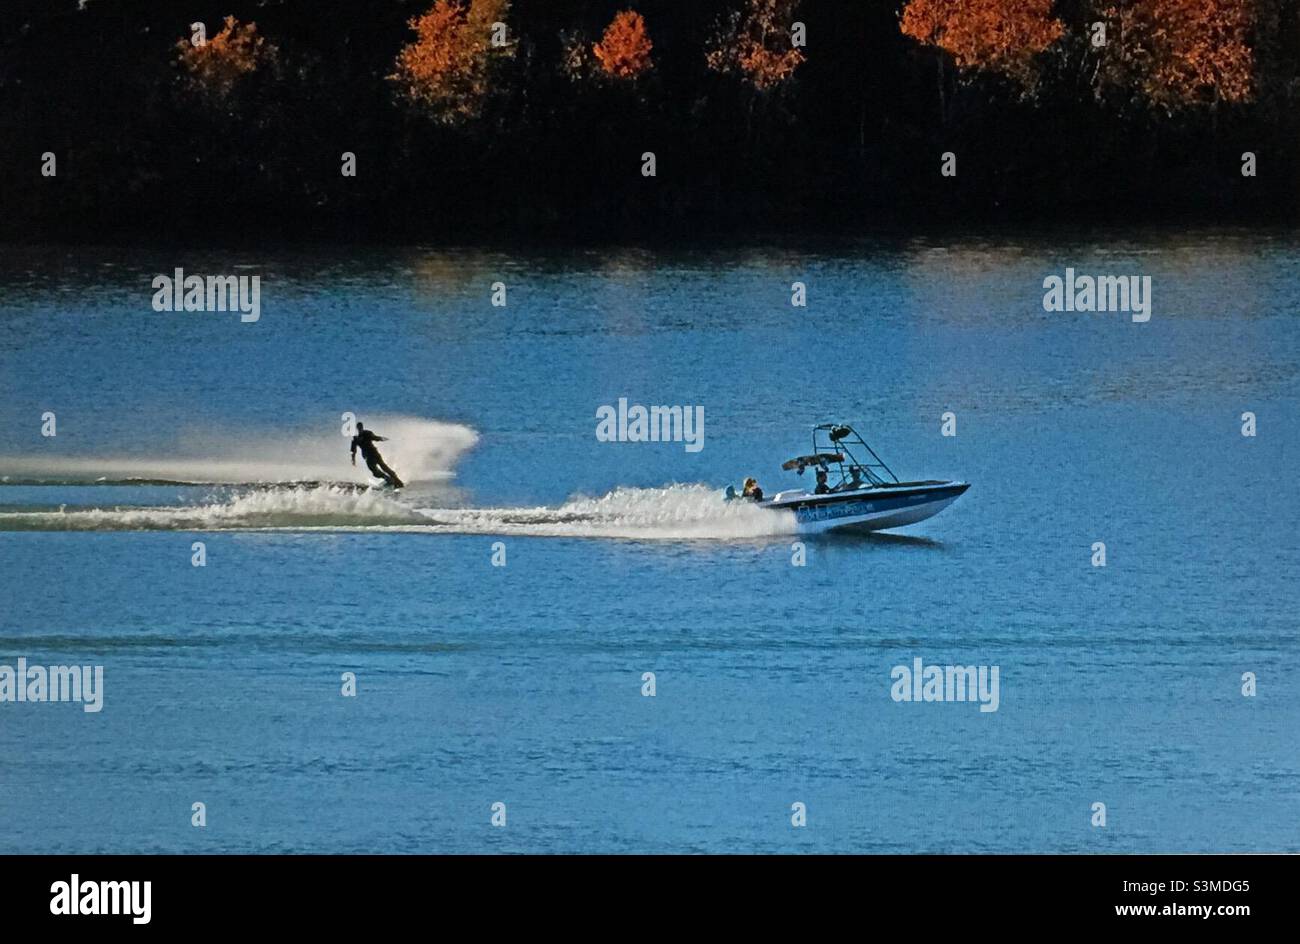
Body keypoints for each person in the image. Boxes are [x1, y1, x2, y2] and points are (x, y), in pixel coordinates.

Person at [351, 421, 404, 488]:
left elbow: (375, 438)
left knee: (384, 467)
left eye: (361, 427)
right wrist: (353, 460)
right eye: (359, 428)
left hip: (374, 453)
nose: (360, 429)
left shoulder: (367, 433)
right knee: (375, 473)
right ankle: (388, 479)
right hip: (368, 457)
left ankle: (398, 481)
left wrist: (384, 439)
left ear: (362, 427)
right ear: (357, 428)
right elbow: (353, 451)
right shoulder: (355, 439)